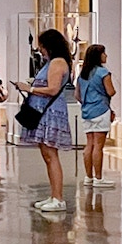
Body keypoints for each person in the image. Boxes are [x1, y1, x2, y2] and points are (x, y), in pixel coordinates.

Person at [14, 29, 74, 212]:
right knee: (47, 156)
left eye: (41, 46)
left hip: (50, 113)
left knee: (51, 155)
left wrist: (30, 89)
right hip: (44, 112)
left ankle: (58, 198)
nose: (40, 49)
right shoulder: (51, 62)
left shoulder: (57, 62)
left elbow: (53, 89)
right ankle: (54, 195)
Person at [75, 44, 116, 188]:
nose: (106, 56)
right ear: (98, 56)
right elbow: (110, 91)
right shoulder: (103, 72)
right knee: (98, 146)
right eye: (104, 53)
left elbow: (77, 95)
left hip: (87, 112)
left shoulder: (83, 74)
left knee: (89, 144)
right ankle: (98, 178)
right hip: (101, 110)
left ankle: (88, 177)